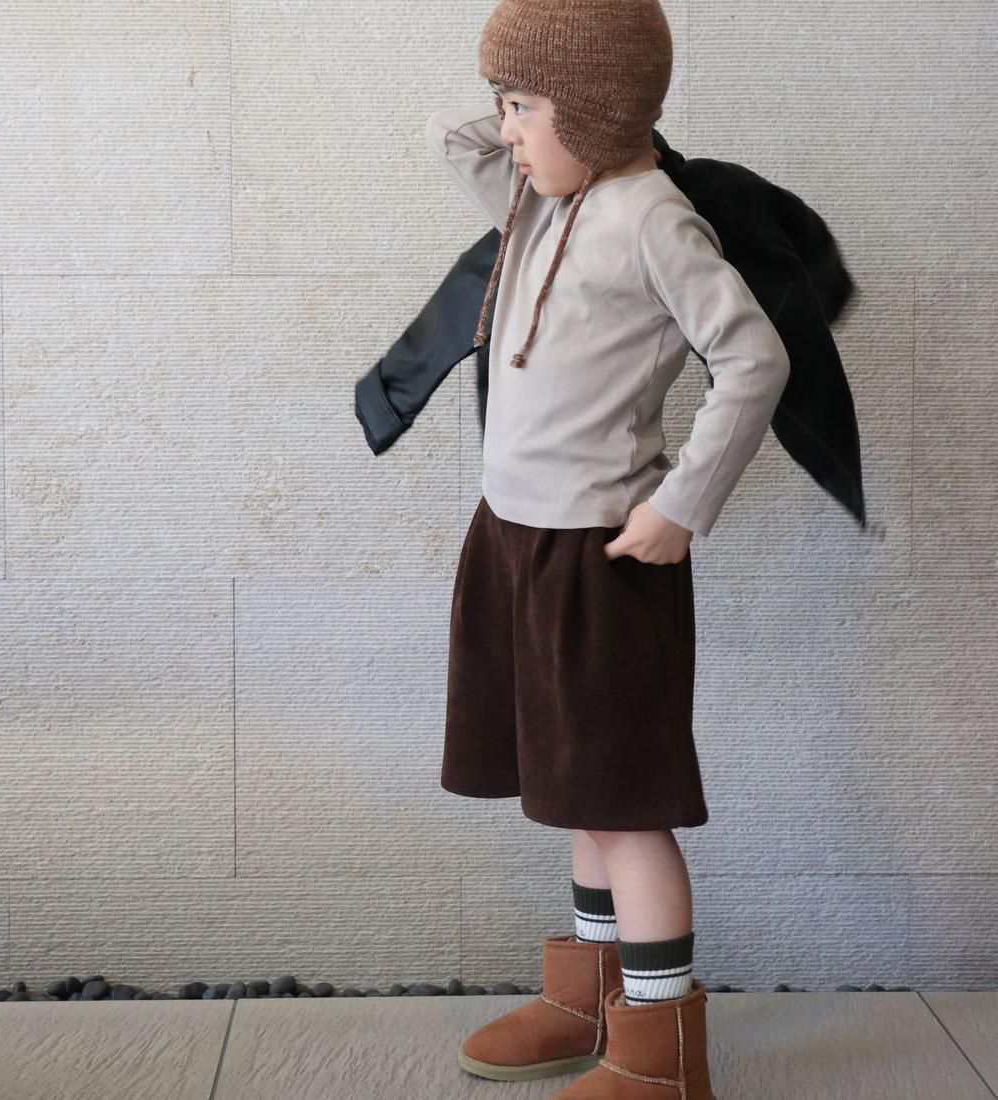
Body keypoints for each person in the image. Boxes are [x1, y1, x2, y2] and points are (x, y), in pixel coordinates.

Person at [426, 1, 790, 1097]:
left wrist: (682, 504)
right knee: (574, 790)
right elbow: (453, 143)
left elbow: (754, 359)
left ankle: (662, 1046)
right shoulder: (545, 194)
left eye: (524, 108)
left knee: (624, 805)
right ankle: (588, 996)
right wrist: (525, 103)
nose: (505, 130)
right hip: (515, 540)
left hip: (602, 559)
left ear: (593, 110)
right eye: (503, 105)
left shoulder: (650, 218)